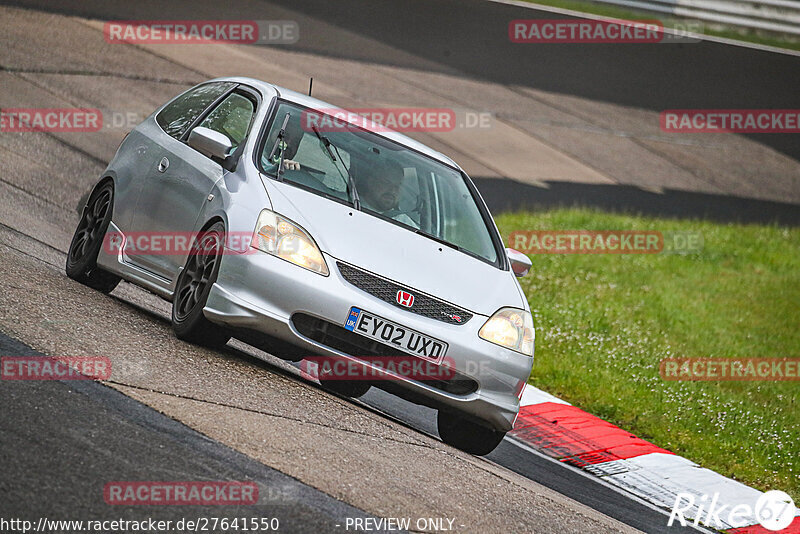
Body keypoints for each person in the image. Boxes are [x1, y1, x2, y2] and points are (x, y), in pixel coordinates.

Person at [356, 159, 418, 229]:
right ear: (371, 182)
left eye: (397, 186)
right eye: (387, 183)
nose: (393, 190)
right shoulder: (347, 203)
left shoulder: (405, 223)